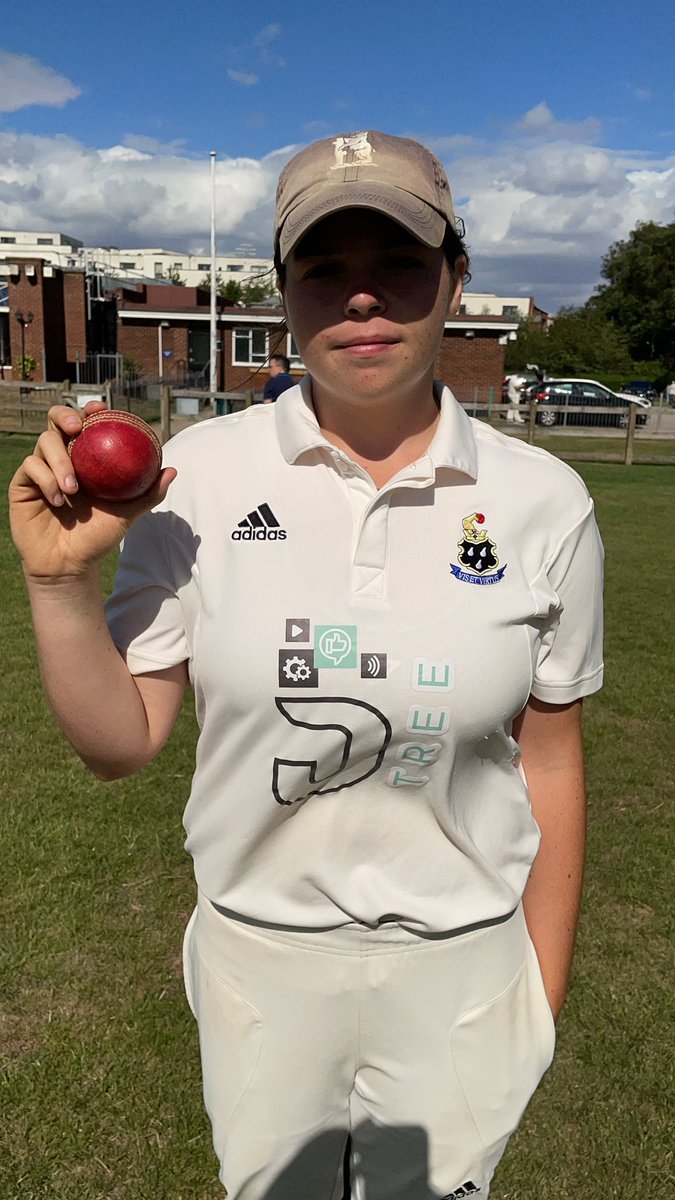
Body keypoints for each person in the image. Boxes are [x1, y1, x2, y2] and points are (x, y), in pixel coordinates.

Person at [9, 129, 604, 1200]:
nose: (363, 301)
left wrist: (539, 994)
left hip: (461, 962)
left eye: (400, 266)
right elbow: (119, 745)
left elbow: (551, 761)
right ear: (282, 292)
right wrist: (59, 588)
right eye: (326, 271)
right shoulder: (194, 475)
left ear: (455, 280)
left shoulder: (543, 501)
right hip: (262, 962)